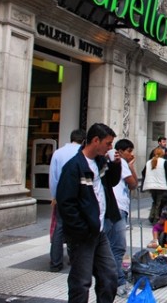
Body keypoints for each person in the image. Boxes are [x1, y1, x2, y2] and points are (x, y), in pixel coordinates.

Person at [56, 123, 122, 303]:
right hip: (83, 234)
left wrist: (115, 164)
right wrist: (81, 228)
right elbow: (66, 203)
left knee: (109, 275)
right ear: (95, 140)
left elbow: (111, 182)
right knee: (81, 281)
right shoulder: (73, 167)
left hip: (98, 232)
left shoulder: (100, 162)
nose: (110, 147)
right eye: (108, 143)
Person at [49, 129, 86, 272]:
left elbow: (53, 177)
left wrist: (55, 196)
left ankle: (55, 262)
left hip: (62, 195)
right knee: (76, 227)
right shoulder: (83, 153)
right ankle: (74, 258)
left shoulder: (58, 153)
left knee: (59, 228)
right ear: (84, 140)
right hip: (79, 196)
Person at [106, 138, 138, 297]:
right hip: (118, 206)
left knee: (111, 246)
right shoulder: (121, 162)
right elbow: (133, 184)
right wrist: (131, 166)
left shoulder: (112, 159)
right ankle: (118, 282)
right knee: (118, 247)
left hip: (112, 206)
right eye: (129, 151)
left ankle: (113, 279)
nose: (131, 154)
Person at [142, 147, 167, 224]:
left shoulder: (149, 162)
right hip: (161, 185)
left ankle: (152, 216)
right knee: (159, 202)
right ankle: (156, 218)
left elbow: (143, 172)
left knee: (155, 201)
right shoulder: (164, 162)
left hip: (151, 185)